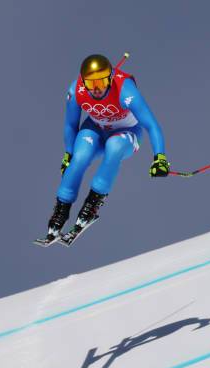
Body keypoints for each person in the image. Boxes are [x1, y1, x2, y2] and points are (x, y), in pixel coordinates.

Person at [37, 54, 169, 246]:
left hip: (127, 132)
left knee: (114, 147)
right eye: (91, 84)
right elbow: (70, 125)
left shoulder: (125, 90)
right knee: (79, 156)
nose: (96, 89)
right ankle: (61, 211)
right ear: (84, 82)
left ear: (110, 78)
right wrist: (68, 154)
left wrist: (160, 157)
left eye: (100, 82)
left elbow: (151, 125)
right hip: (97, 129)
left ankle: (92, 205)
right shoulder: (76, 91)